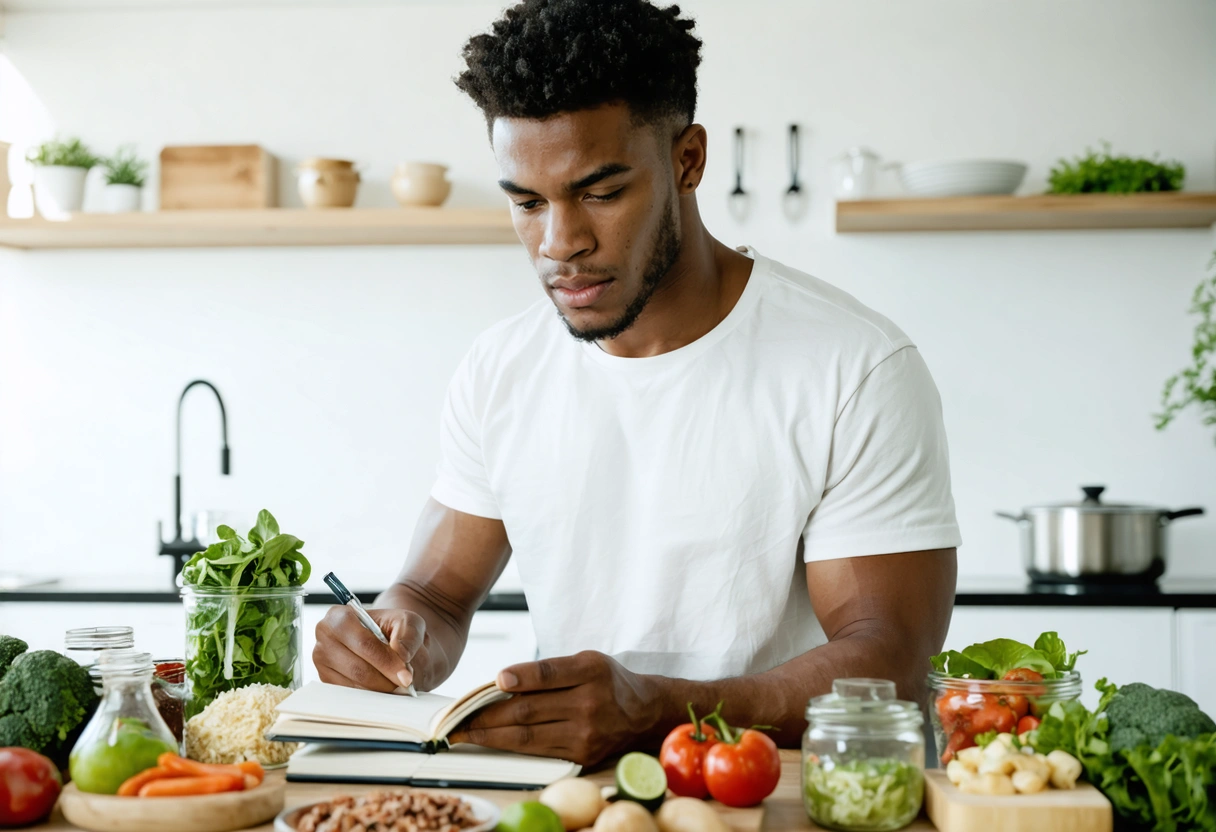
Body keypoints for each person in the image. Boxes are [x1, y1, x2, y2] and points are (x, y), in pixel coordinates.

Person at [313, 0, 960, 766]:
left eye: (601, 192)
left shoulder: (853, 367)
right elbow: (435, 596)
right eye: (526, 202)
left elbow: (890, 661)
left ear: (687, 161)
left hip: (781, 801)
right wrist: (391, 635)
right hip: (569, 805)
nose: (561, 243)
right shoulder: (500, 370)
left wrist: (660, 711)